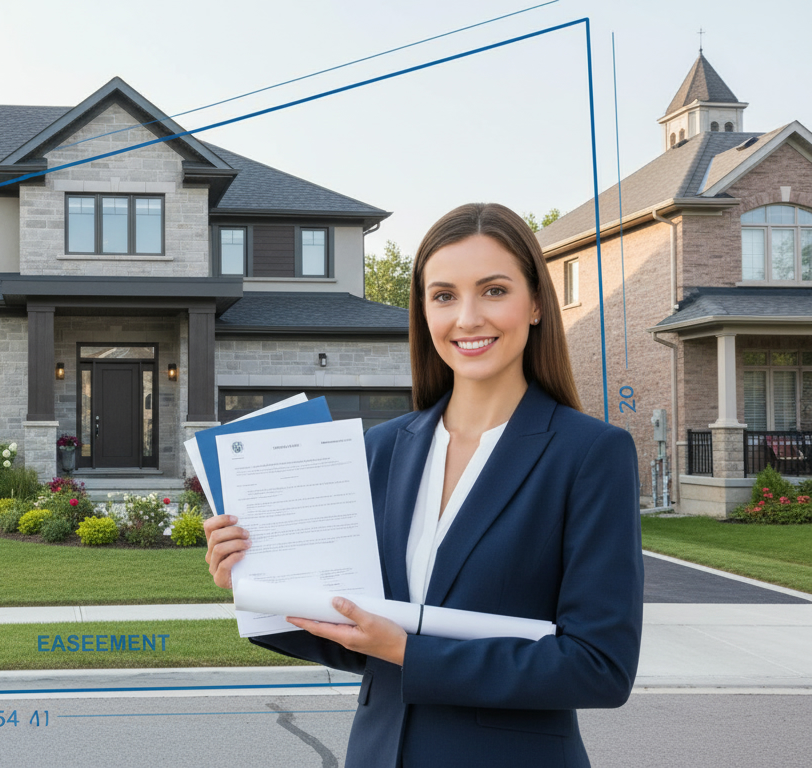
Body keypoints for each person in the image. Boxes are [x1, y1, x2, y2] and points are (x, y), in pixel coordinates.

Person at [203, 202, 644, 768]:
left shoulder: (590, 454)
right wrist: (252, 585)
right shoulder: (380, 449)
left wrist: (411, 653)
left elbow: (598, 666)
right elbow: (359, 635)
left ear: (535, 303)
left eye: (493, 290)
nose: (467, 318)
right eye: (443, 296)